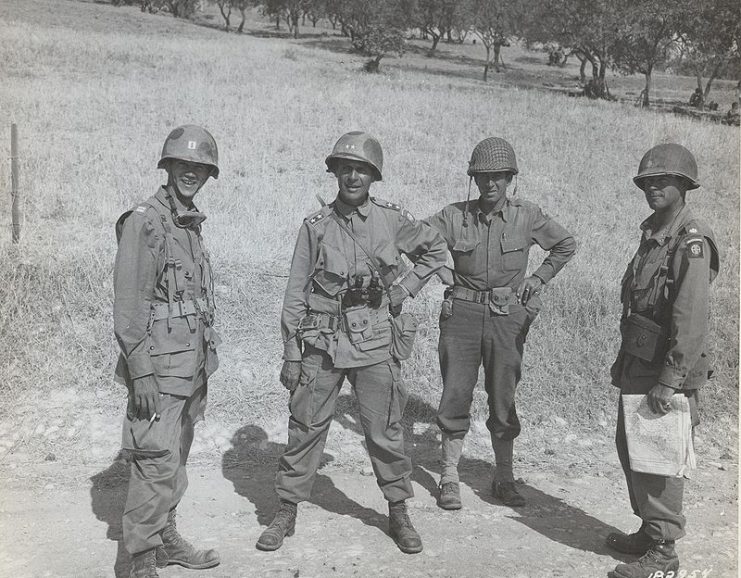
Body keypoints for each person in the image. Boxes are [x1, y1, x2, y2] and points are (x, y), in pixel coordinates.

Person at [257, 131, 447, 554]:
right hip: (322, 342)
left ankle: (398, 511)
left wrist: (405, 289)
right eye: (346, 168)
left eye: (361, 169)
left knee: (385, 429)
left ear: (373, 176)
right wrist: (291, 351)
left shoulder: (391, 220)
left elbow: (435, 251)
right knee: (305, 425)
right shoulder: (315, 227)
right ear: (335, 173)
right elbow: (295, 290)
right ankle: (286, 510)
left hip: (376, 340)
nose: (353, 176)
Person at [425, 137, 576, 510]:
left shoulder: (527, 215)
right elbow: (413, 238)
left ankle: (504, 477)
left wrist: (538, 278)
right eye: (482, 176)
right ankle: (448, 477)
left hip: (507, 318)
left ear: (510, 178)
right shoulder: (454, 215)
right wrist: (440, 268)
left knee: (503, 394)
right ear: (473, 179)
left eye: (498, 177)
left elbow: (565, 245)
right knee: (455, 393)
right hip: (461, 317)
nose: (490, 184)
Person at [606, 144, 719, 578]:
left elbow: (690, 319)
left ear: (684, 186)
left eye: (662, 180)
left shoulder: (690, 240)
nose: (652, 187)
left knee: (660, 458)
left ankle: (664, 553)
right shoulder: (654, 231)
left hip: (665, 369)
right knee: (633, 450)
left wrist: (669, 381)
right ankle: (650, 532)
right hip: (640, 359)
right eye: (647, 181)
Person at [114, 125, 222, 578]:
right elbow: (130, 305)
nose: (190, 174)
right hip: (158, 367)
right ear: (168, 166)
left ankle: (165, 539)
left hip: (189, 363)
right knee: (154, 459)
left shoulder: (187, 220)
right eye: (183, 165)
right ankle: (139, 560)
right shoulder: (147, 220)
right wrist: (140, 372)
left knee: (175, 455)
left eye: (199, 167)